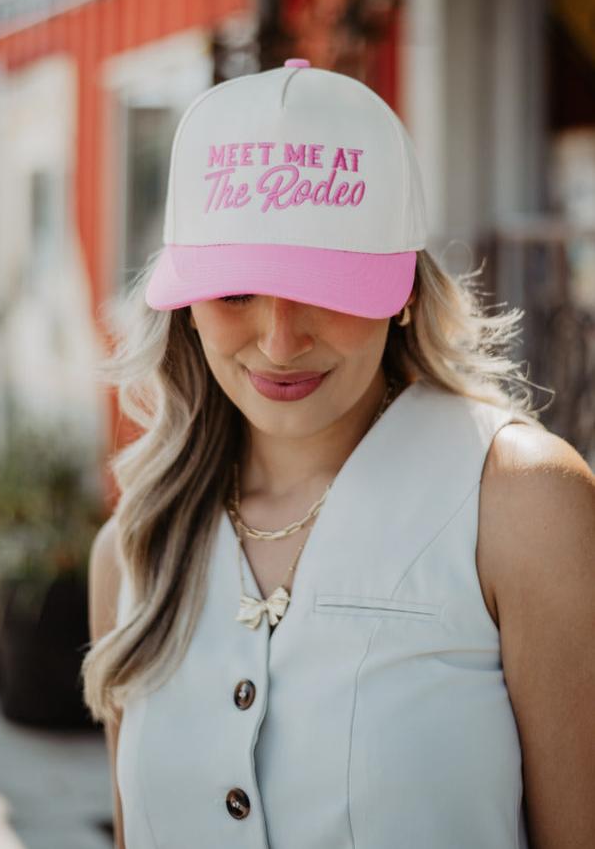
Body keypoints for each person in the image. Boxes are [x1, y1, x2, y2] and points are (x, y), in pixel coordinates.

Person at [84, 59, 595, 849]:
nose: (280, 341)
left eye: (324, 286)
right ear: (184, 305)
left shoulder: (523, 505)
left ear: (405, 295)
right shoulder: (134, 552)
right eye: (234, 291)